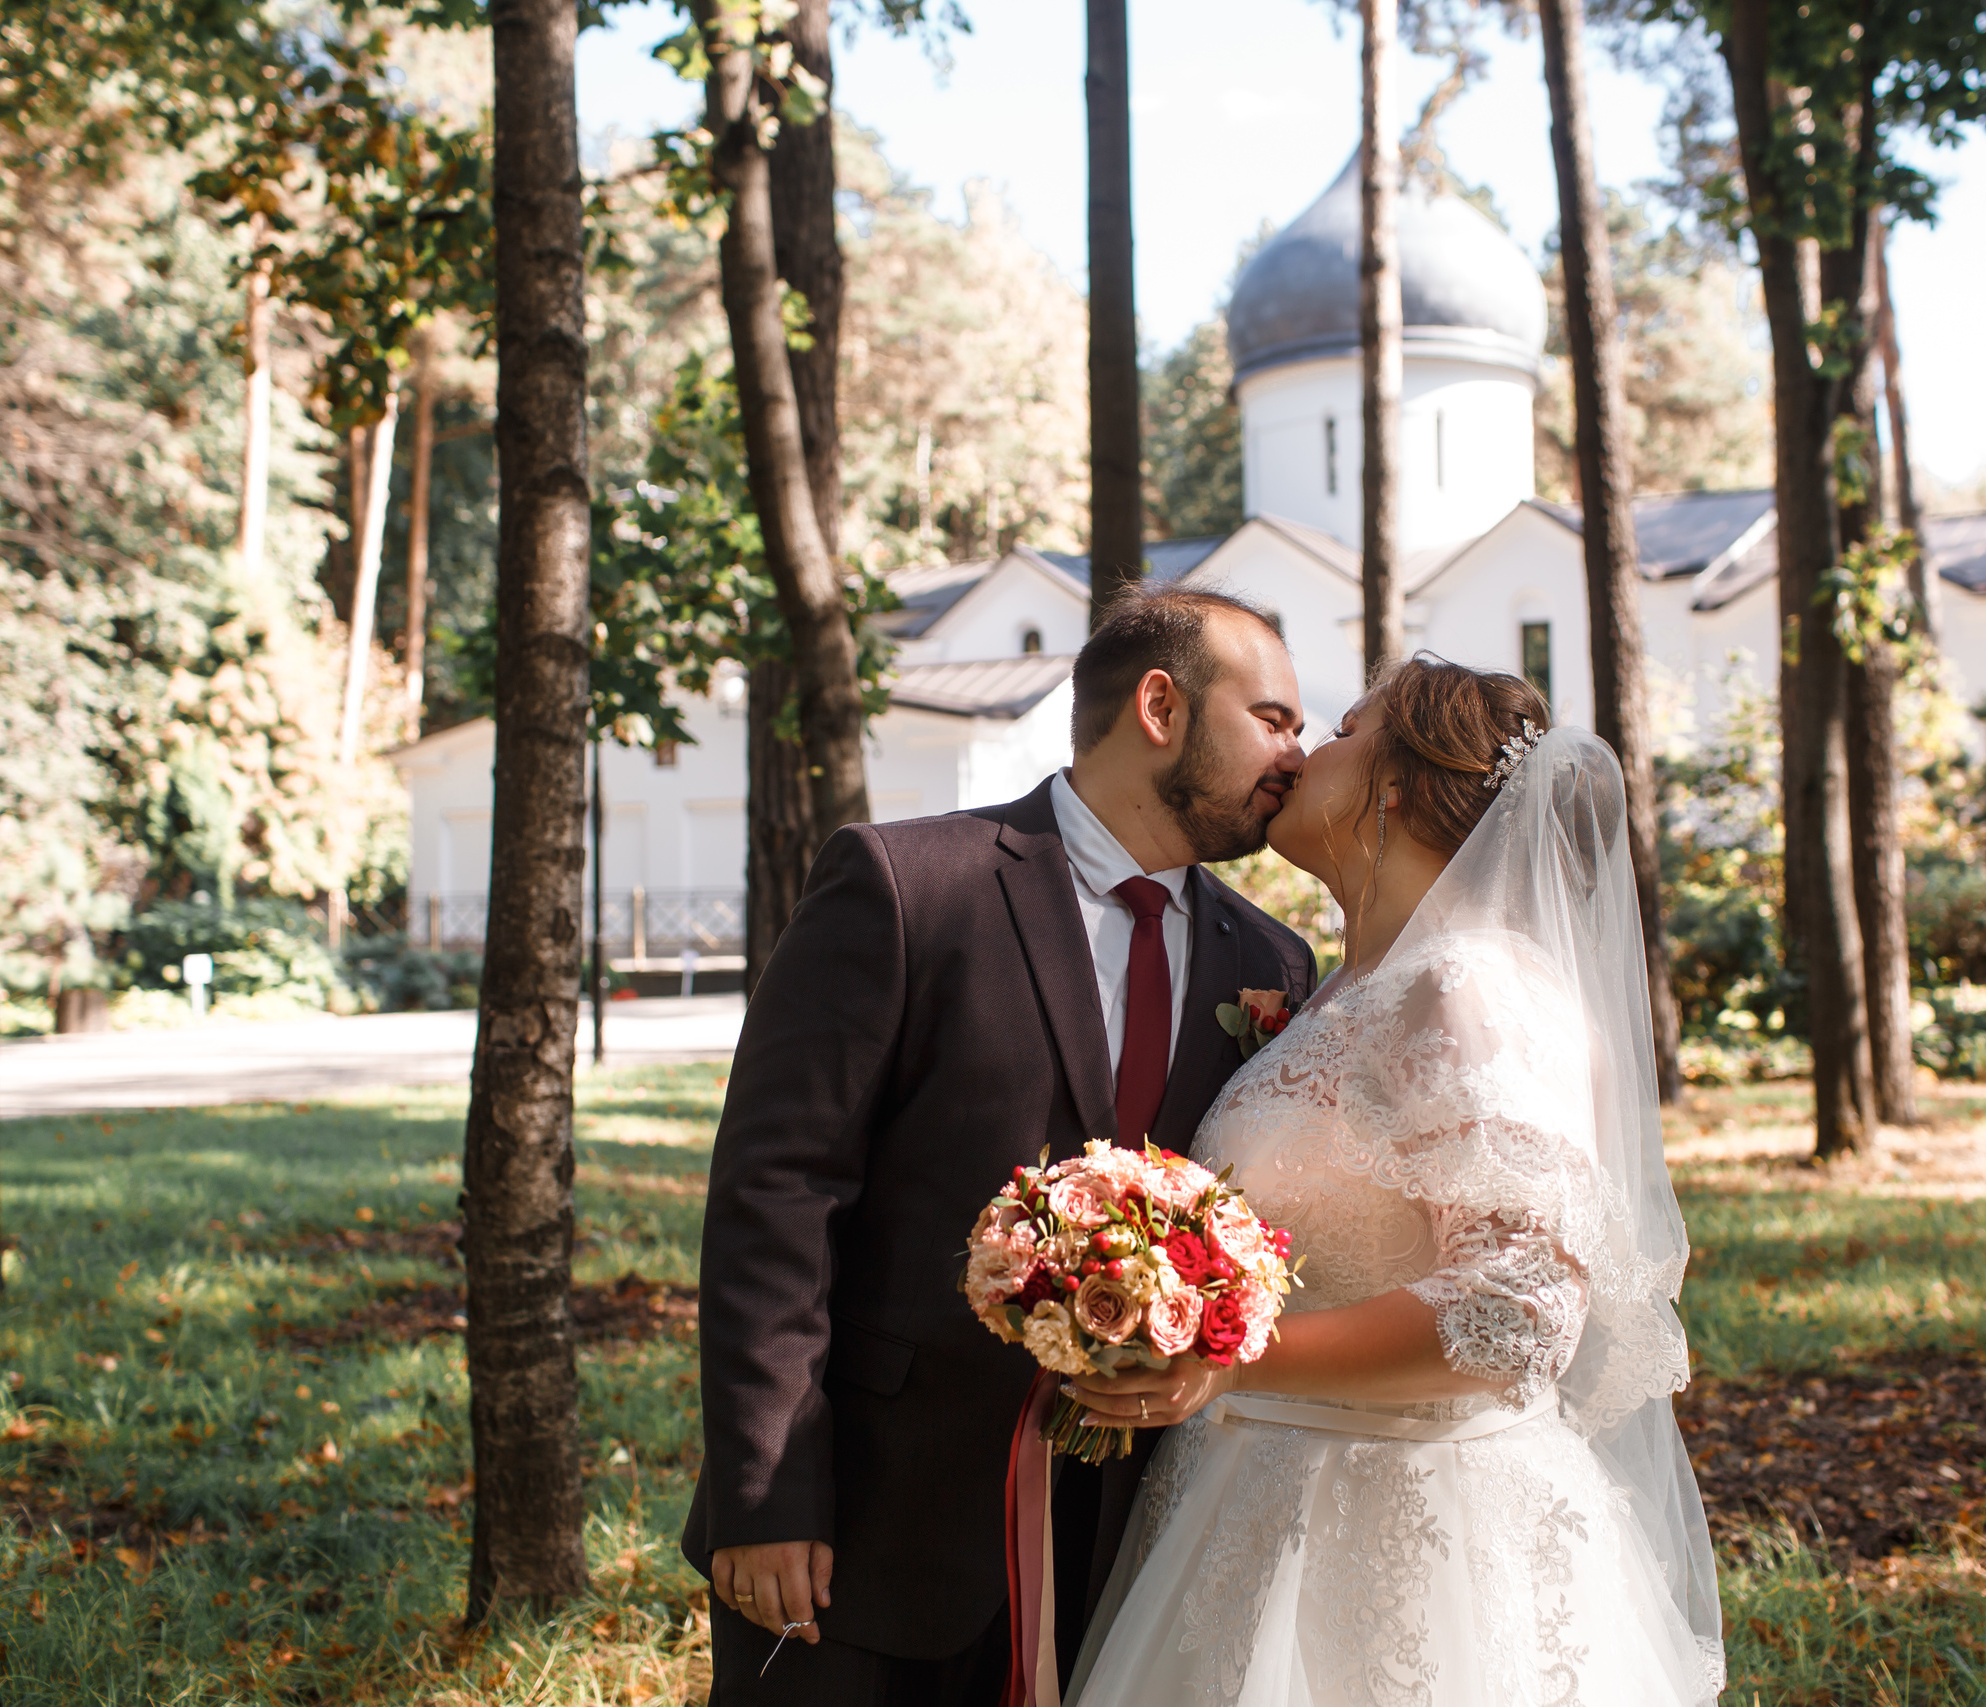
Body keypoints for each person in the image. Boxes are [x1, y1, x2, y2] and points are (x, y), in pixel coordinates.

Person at [683, 584, 1321, 1705]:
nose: (1296, 754)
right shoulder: (906, 886)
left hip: (1130, 1550)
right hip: (872, 1525)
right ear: (1160, 707)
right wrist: (766, 1489)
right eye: (1271, 718)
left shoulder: (1269, 961)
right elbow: (778, 1193)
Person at [1063, 657, 1726, 1707]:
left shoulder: (1470, 988)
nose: (1297, 753)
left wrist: (1231, 1359)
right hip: (1244, 1502)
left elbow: (1519, 1311)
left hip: (1407, 1536)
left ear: (1397, 787)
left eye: (1338, 731)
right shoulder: (1339, 989)